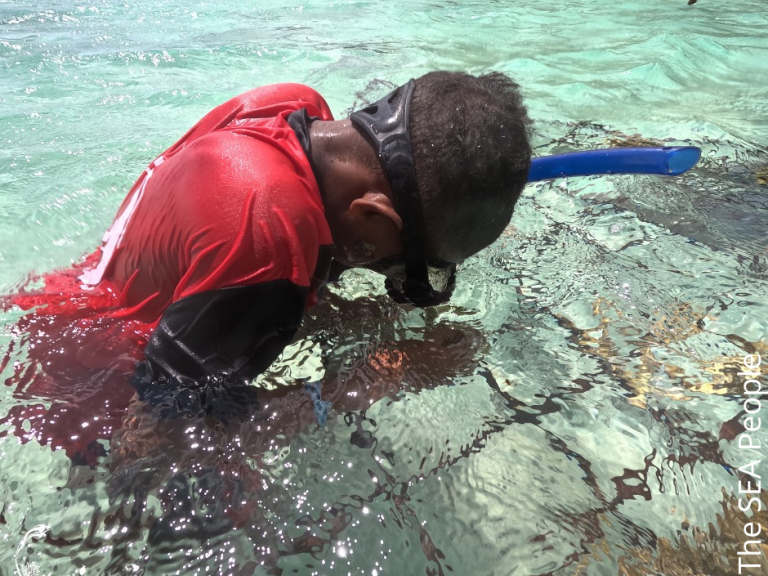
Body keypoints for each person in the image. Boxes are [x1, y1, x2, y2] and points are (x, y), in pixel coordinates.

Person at [1, 71, 532, 456]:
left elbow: (223, 285)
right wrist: (380, 376)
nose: (401, 282)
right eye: (410, 274)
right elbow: (162, 439)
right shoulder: (268, 240)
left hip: (56, 305)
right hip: (85, 395)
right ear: (371, 214)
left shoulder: (292, 109)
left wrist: (361, 314)